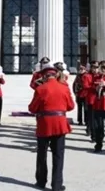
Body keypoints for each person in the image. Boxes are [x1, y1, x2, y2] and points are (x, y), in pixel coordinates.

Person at [28, 63, 75, 191]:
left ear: (44, 76)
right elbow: (71, 106)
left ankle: (41, 181)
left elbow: (32, 108)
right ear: (55, 75)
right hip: (60, 123)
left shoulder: (41, 89)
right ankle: (57, 185)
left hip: (44, 123)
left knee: (42, 153)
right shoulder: (64, 87)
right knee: (58, 155)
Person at [84, 61, 98, 139]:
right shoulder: (87, 76)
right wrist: (95, 86)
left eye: (96, 67)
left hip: (99, 99)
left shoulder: (99, 76)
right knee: (92, 118)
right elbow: (86, 86)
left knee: (98, 119)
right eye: (94, 67)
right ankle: (93, 135)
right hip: (91, 100)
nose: (95, 69)